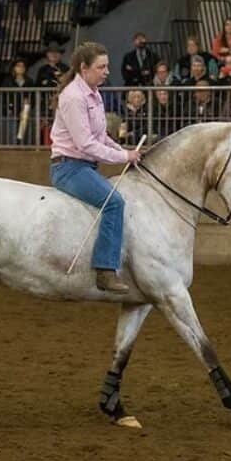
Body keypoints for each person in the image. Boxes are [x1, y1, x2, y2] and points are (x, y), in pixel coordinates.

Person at [48, 42, 142, 293]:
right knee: (114, 203)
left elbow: (100, 137)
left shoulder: (94, 93)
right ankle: (105, 270)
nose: (106, 72)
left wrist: (125, 152)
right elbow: (86, 144)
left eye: (106, 67)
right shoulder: (73, 97)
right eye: (101, 67)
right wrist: (123, 156)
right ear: (84, 68)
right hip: (69, 168)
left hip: (84, 167)